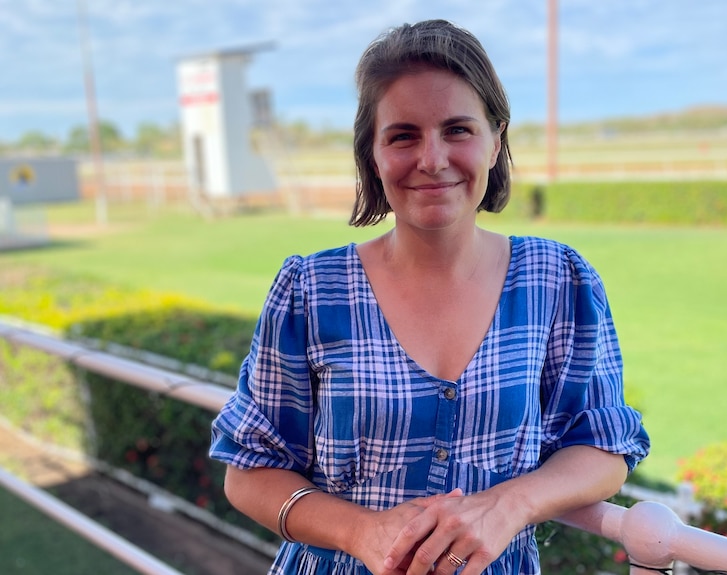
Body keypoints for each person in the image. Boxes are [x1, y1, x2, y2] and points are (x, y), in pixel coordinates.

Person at [210, 19, 649, 575]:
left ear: (496, 140)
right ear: (373, 153)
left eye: (458, 130)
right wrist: (363, 533)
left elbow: (603, 447)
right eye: (403, 135)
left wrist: (508, 506)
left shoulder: (559, 280)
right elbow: (249, 471)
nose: (433, 159)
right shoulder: (310, 291)